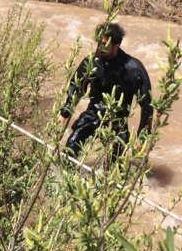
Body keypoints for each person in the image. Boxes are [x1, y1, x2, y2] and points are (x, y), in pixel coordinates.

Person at [58, 22, 152, 160]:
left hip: (117, 121)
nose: (99, 47)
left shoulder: (132, 69)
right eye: (98, 42)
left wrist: (142, 137)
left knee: (115, 166)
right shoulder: (92, 61)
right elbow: (76, 86)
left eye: (104, 44)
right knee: (70, 149)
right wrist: (65, 112)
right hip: (93, 113)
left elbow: (147, 106)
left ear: (116, 46)